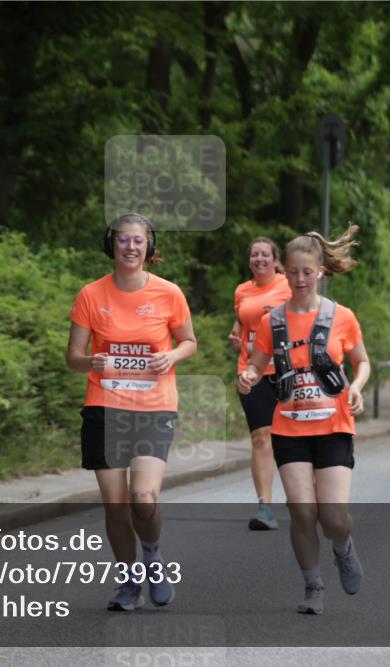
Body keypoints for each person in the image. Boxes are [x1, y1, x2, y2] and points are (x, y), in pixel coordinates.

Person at [66, 212, 197, 611]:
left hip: (153, 409)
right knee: (116, 505)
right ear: (112, 245)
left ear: (149, 247)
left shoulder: (169, 293)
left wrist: (172, 354)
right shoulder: (91, 294)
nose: (130, 247)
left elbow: (189, 341)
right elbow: (72, 357)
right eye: (123, 240)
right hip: (104, 408)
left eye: (138, 241)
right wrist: (91, 363)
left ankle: (153, 557)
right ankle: (128, 583)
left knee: (143, 498)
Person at [237, 226, 370, 615]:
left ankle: (343, 547)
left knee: (332, 517)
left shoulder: (340, 317)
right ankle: (313, 586)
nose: (298, 280)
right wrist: (247, 377)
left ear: (320, 273)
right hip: (289, 427)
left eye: (306, 273)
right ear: (284, 271)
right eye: (292, 272)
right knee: (302, 511)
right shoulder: (272, 321)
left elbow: (361, 362)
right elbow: (256, 365)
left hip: (333, 427)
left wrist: (357, 387)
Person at [228, 237, 291, 529]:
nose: (259, 259)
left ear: (276, 260)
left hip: (286, 369)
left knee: (292, 437)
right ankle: (265, 506)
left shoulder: (288, 284)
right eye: (254, 255)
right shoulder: (242, 290)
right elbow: (241, 324)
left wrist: (279, 317)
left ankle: (304, 497)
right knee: (260, 437)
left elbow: (306, 315)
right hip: (251, 369)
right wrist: (235, 335)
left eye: (265, 254)